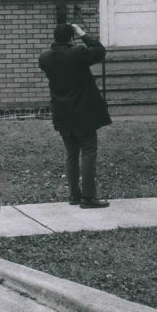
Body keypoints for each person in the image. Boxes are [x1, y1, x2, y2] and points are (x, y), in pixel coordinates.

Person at [38, 23, 111, 208]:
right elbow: (100, 51)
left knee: (71, 154)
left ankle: (74, 195)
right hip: (83, 111)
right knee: (88, 151)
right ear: (71, 38)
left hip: (62, 113)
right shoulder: (78, 53)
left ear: (54, 38)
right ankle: (89, 197)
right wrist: (83, 34)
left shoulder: (45, 58)